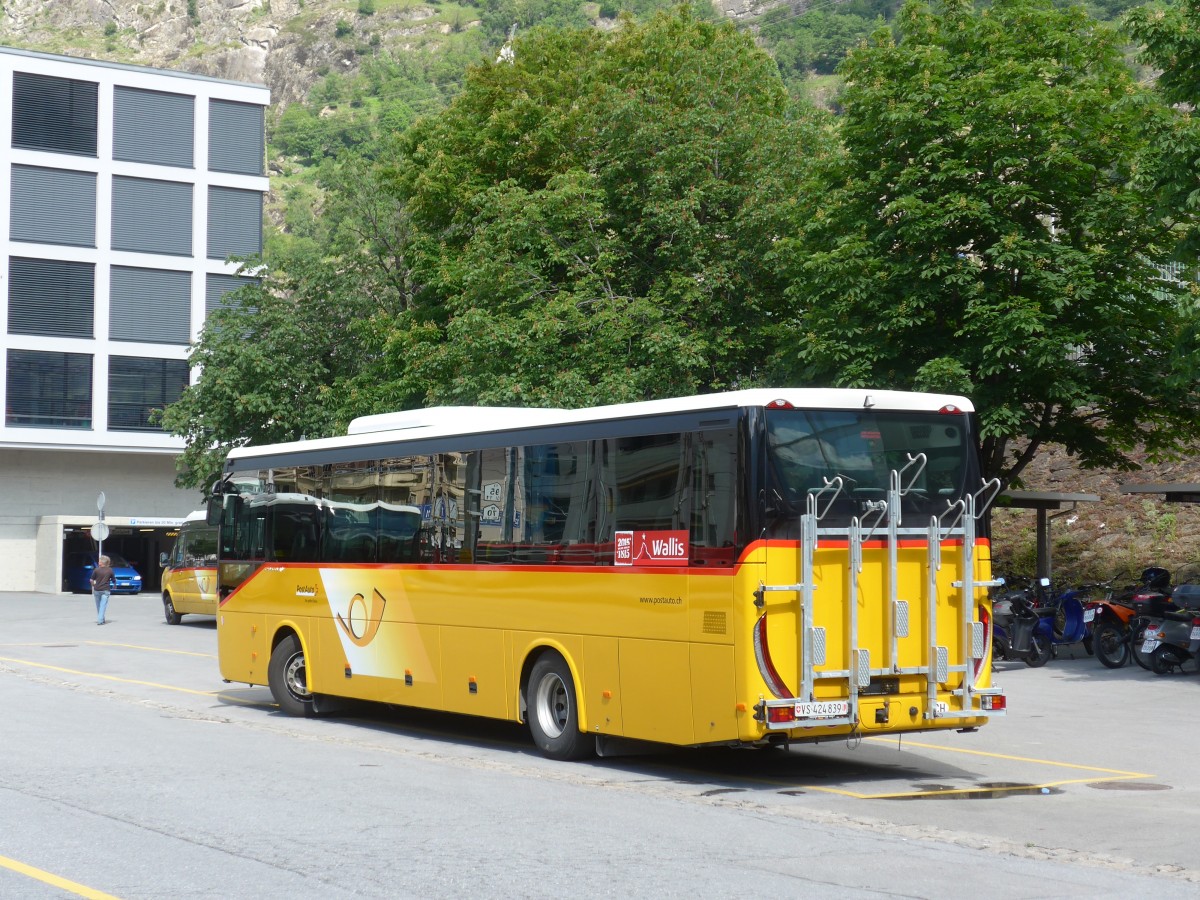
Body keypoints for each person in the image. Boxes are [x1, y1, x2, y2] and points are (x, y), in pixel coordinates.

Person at [91, 555, 114, 625]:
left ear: (101, 563)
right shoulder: (110, 570)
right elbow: (113, 579)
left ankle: (101, 619)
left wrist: (93, 585)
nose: (98, 562)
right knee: (103, 605)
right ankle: (101, 620)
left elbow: (91, 579)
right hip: (105, 590)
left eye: (99, 561)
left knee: (98, 606)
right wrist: (114, 585)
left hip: (97, 590)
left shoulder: (96, 570)